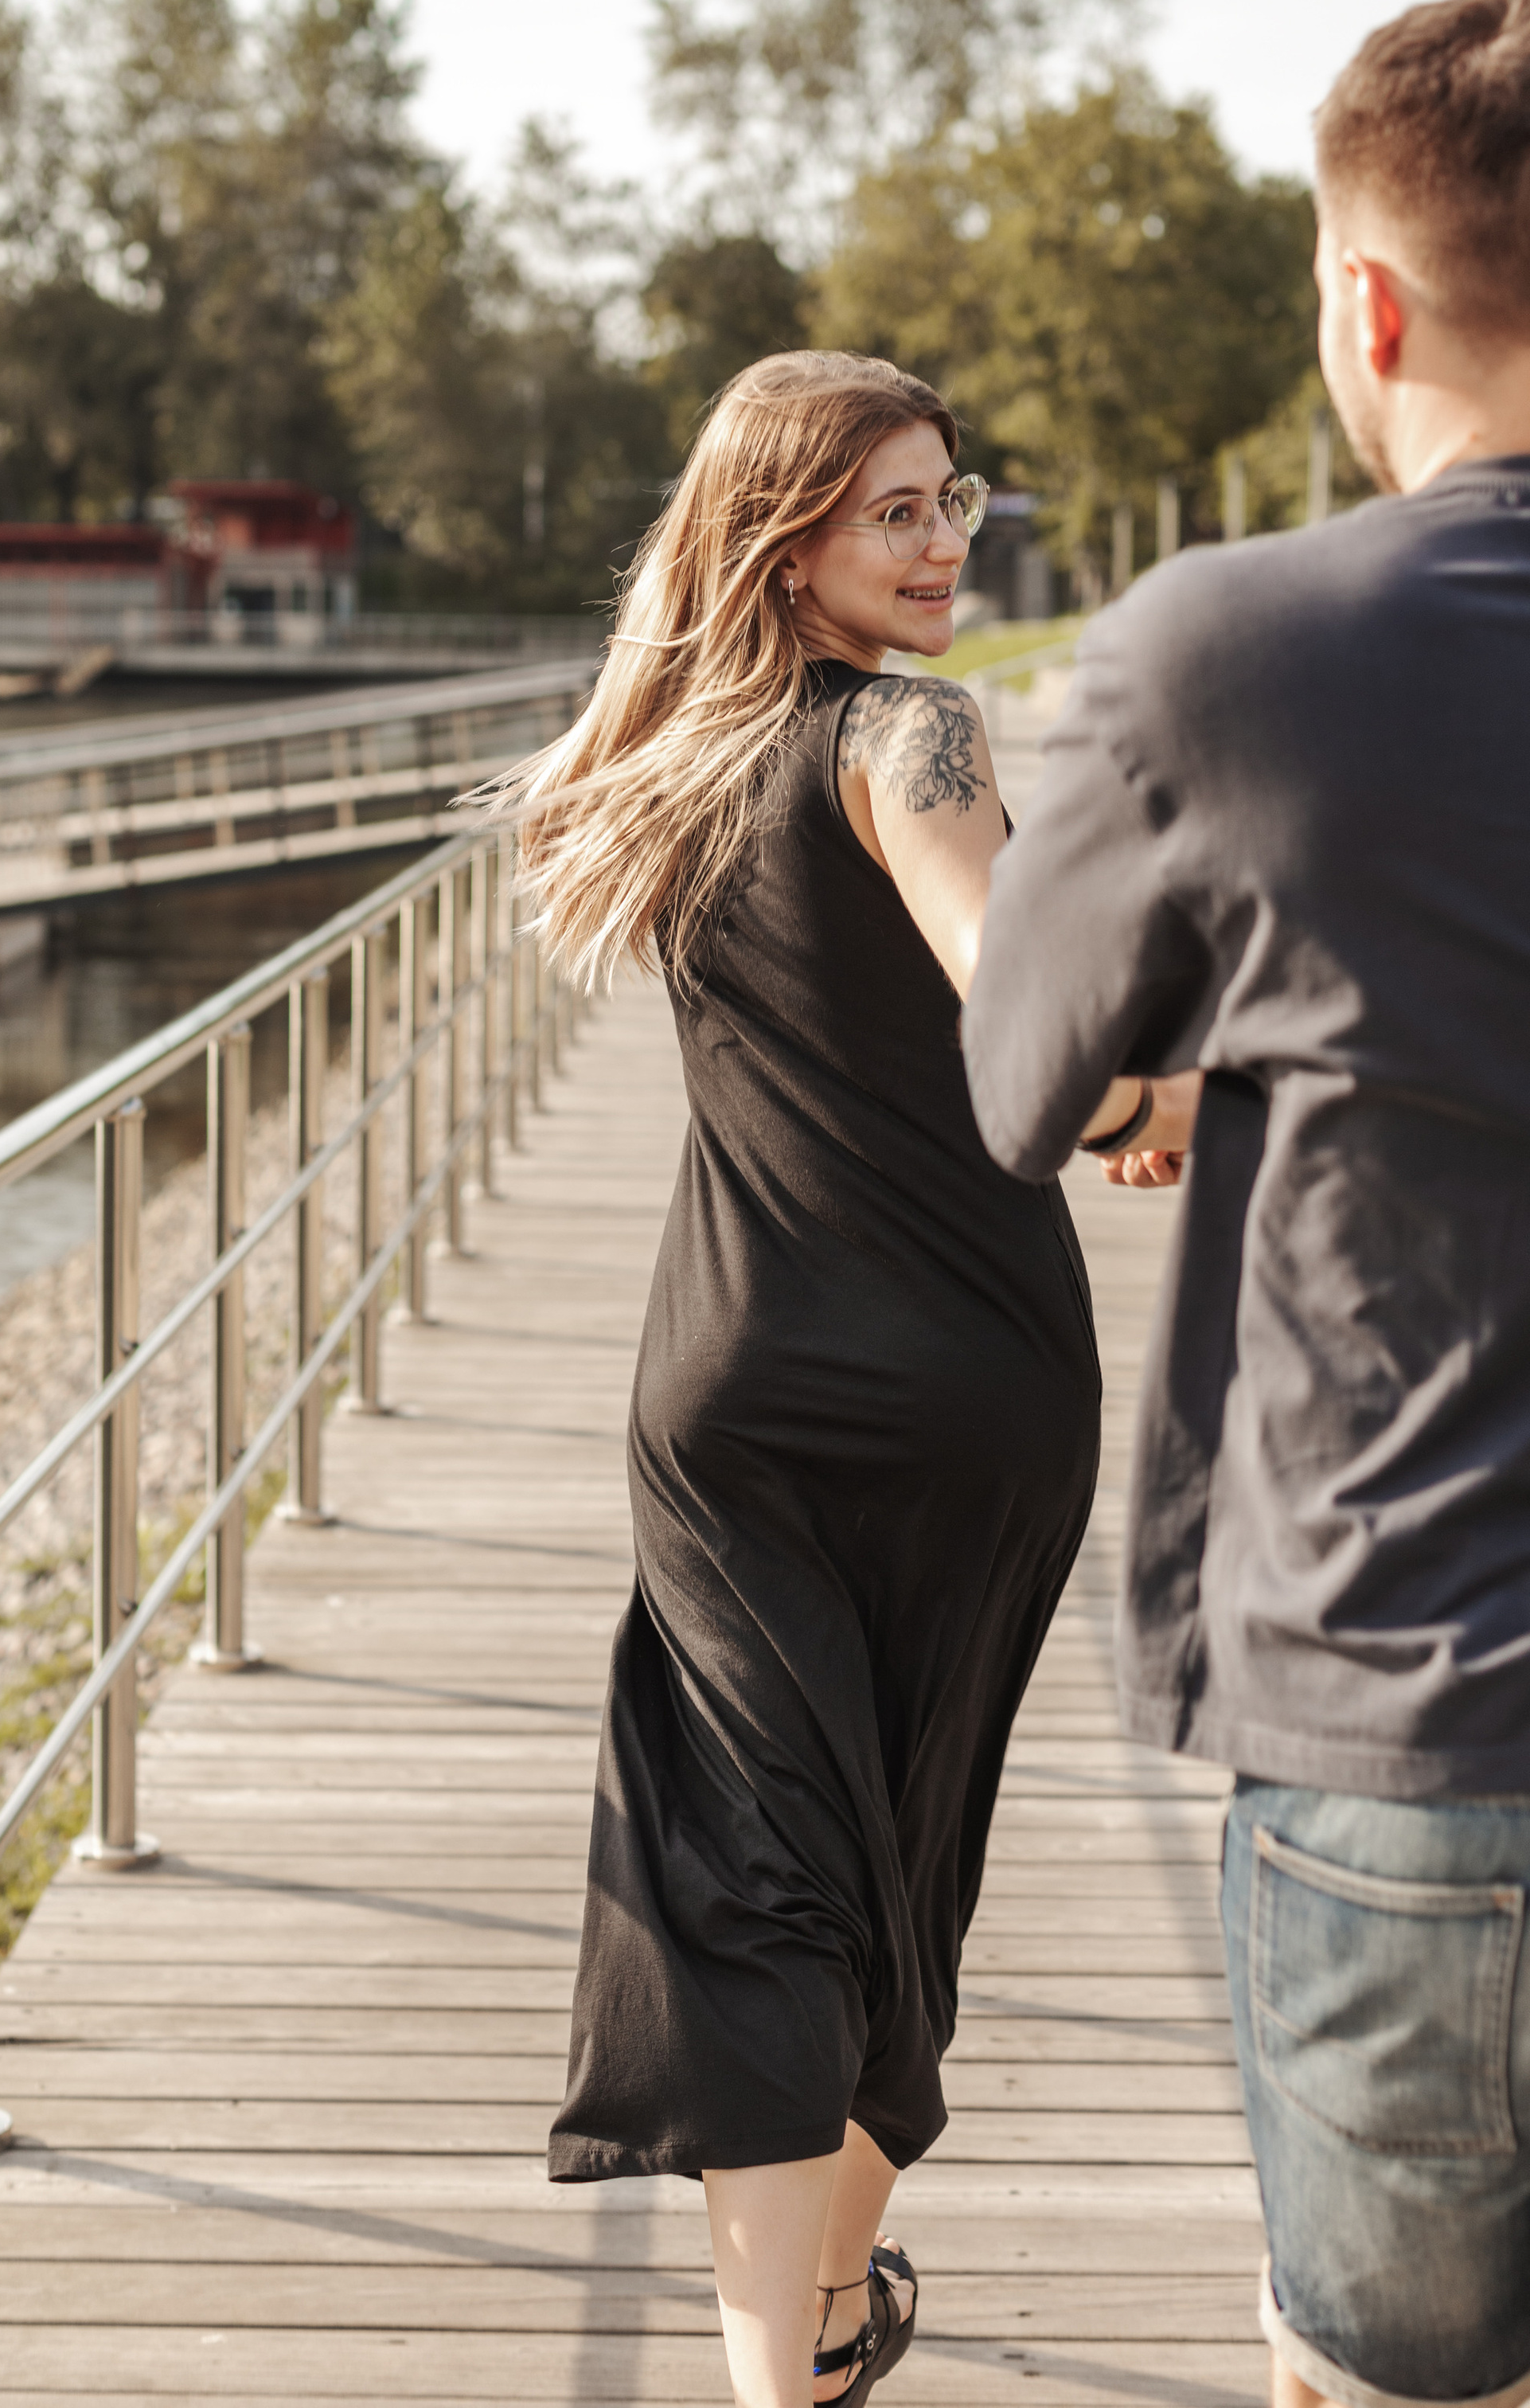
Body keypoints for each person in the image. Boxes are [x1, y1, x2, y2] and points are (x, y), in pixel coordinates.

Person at [962, 0, 1530, 2408]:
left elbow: (1021, 1086)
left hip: (1393, 1734)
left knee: (1379, 2387)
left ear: (1363, 305)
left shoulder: (1217, 658)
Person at [517, 353, 1141, 2408]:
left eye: (957, 501)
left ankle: (808, 2345)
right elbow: (1015, 989)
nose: (947, 542)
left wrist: (1101, 1065)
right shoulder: (915, 726)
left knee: (768, 1881)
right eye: (899, 510)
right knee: (896, 1877)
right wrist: (1146, 1079)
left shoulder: (670, 766)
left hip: (734, 1398)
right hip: (974, 1390)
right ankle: (804, 2348)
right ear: (786, 535)